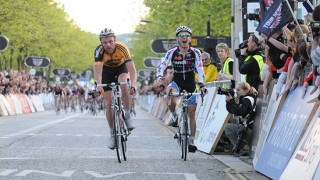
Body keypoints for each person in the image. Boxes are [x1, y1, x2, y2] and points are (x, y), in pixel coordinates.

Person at [156, 25, 205, 152]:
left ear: (190, 38)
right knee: (170, 95)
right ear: (178, 39)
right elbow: (162, 66)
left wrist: (202, 83)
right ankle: (174, 116)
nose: (184, 38)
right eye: (181, 36)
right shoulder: (171, 52)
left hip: (190, 83)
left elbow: (200, 69)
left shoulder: (195, 52)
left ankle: (191, 141)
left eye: (186, 35)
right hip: (177, 81)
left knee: (191, 113)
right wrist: (159, 77)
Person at [94, 28, 137, 150]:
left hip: (121, 69)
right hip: (107, 72)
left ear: (115, 40)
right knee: (109, 103)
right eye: (105, 42)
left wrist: (132, 85)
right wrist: (98, 86)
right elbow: (97, 73)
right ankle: (112, 133)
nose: (108, 45)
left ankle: (127, 116)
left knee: (123, 84)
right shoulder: (99, 51)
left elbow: (133, 70)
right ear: (101, 43)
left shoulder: (122, 48)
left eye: (110, 41)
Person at [224, 82, 258, 156]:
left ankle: (243, 147)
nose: (236, 92)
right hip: (248, 130)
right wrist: (229, 102)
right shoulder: (246, 98)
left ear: (245, 90)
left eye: (238, 90)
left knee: (228, 127)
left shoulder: (247, 99)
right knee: (230, 124)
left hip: (249, 131)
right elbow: (231, 110)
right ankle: (242, 147)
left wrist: (232, 101)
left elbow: (239, 111)